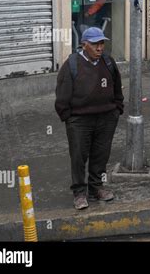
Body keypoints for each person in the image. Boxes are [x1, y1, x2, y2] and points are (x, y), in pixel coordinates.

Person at [55, 27, 124, 210]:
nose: (99, 48)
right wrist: (68, 117)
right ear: (84, 45)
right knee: (78, 157)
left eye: (101, 43)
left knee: (101, 155)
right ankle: (79, 192)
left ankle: (96, 187)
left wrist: (117, 108)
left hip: (106, 118)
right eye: (95, 44)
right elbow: (62, 94)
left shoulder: (108, 62)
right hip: (79, 120)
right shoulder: (72, 64)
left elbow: (117, 87)